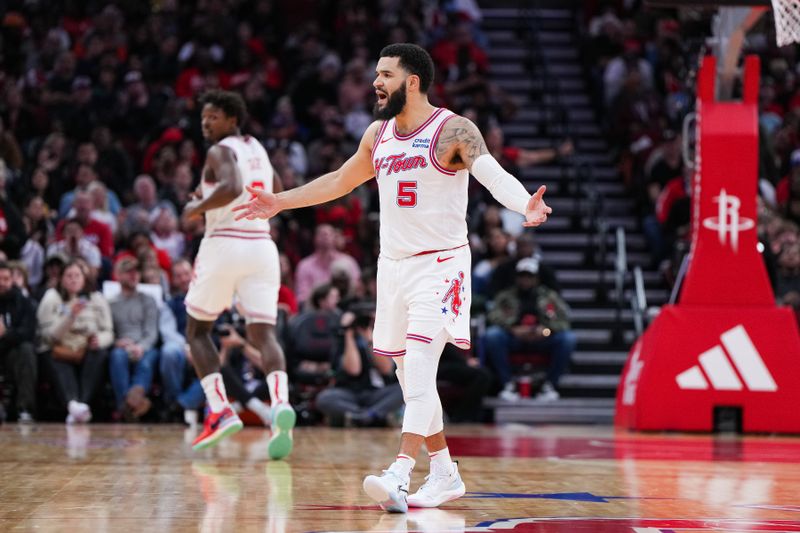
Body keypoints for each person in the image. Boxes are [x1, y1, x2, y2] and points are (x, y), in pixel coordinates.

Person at [234, 43, 551, 512]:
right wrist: (280, 201)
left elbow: (490, 171)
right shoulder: (377, 135)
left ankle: (399, 473)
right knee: (408, 376)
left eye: (385, 74)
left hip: (442, 266)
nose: (376, 83)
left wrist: (524, 203)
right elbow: (339, 180)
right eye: (376, 74)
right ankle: (444, 472)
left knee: (421, 365)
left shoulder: (452, 129)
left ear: (413, 82)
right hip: (394, 268)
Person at [181, 90, 294, 458]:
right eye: (203, 117)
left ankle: (219, 409)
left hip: (224, 242)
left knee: (198, 330)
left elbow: (230, 188)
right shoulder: (258, 149)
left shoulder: (219, 150)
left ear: (232, 119)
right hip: (261, 245)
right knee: (263, 333)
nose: (205, 123)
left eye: (212, 116)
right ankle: (280, 405)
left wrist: (196, 207)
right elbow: (276, 189)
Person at [483, 258, 576, 401]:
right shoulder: (506, 296)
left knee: (568, 338)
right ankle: (507, 385)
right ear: (517, 277)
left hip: (542, 338)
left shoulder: (549, 296)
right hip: (514, 338)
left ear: (536, 278)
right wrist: (512, 329)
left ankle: (549, 386)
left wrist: (547, 329)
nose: (525, 279)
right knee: (492, 335)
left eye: (529, 276)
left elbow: (564, 319)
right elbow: (492, 316)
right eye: (522, 275)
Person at [36, 260, 113, 423]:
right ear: (61, 279)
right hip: (59, 348)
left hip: (86, 348)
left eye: (77, 275)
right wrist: (70, 316)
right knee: (52, 356)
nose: (73, 279)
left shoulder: (97, 298)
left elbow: (109, 331)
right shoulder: (51, 297)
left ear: (84, 278)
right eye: (68, 276)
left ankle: (81, 406)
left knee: (99, 354)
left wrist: (99, 340)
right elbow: (49, 336)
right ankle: (72, 404)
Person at [316, 306, 404, 427]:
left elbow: (386, 369)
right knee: (324, 398)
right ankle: (366, 415)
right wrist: (348, 333)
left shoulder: (382, 339)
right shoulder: (341, 341)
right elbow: (354, 370)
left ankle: (364, 415)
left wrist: (370, 339)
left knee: (402, 389)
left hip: (376, 393)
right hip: (349, 393)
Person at [0, 261, 37, 422]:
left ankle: (25, 408)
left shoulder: (22, 301)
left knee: (27, 350)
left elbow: (28, 332)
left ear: (12, 280)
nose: (2, 283)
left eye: (6, 279)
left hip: (11, 352)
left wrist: (5, 333)